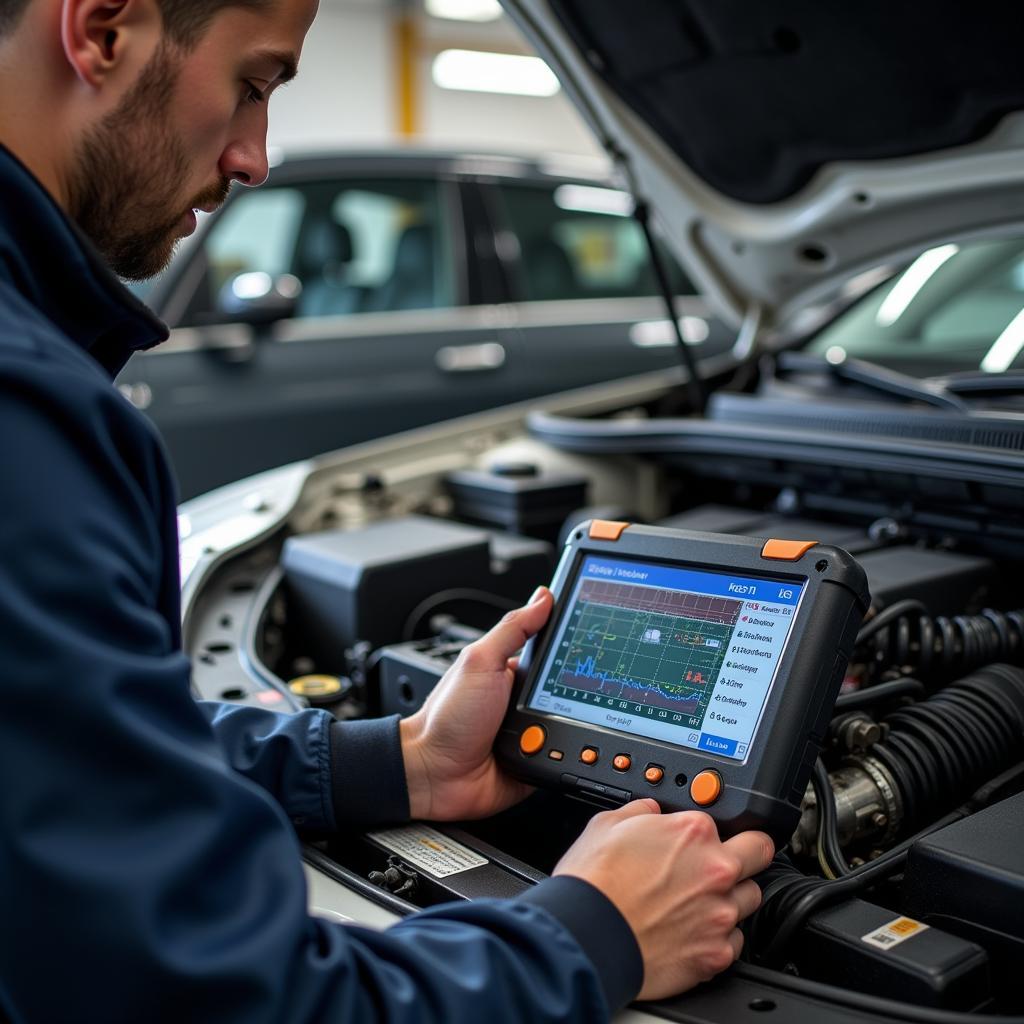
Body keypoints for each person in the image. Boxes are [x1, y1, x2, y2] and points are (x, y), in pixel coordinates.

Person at [0, 1, 775, 1021]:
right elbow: (212, 999)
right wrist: (594, 934)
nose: (255, 155)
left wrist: (392, 760)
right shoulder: (29, 415)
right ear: (102, 30)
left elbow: (66, 776)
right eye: (255, 83)